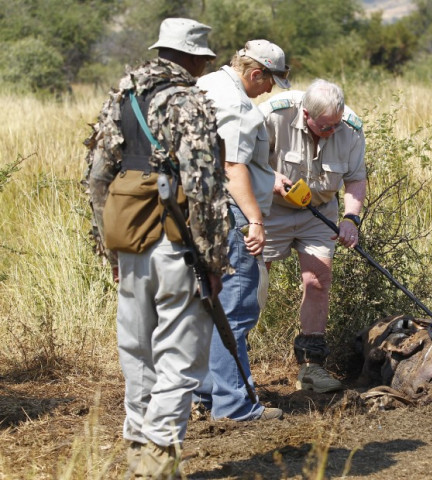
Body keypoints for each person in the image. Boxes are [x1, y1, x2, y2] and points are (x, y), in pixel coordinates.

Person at [85, 18, 228, 478]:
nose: (203, 69)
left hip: (129, 242)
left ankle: (135, 454)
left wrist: (110, 249)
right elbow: (205, 189)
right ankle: (158, 462)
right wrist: (212, 260)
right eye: (202, 60)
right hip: (178, 245)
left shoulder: (122, 99)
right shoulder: (188, 102)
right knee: (180, 357)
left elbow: (96, 178)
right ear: (190, 58)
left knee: (137, 353)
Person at [193, 40, 291, 421]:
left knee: (206, 305)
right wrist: (256, 220)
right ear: (255, 73)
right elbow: (233, 169)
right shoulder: (236, 105)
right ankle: (235, 405)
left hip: (197, 212)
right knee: (235, 309)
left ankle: (205, 393)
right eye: (269, 82)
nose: (269, 90)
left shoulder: (205, 85)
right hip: (230, 216)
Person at [259, 79, 367, 393]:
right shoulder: (272, 115)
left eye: (336, 125)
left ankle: (311, 368)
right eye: (325, 126)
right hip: (270, 208)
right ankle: (235, 364)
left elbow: (356, 179)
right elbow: (242, 163)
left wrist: (351, 219)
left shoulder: (350, 127)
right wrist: (271, 177)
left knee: (318, 280)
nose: (332, 131)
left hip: (319, 211)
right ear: (306, 114)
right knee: (254, 282)